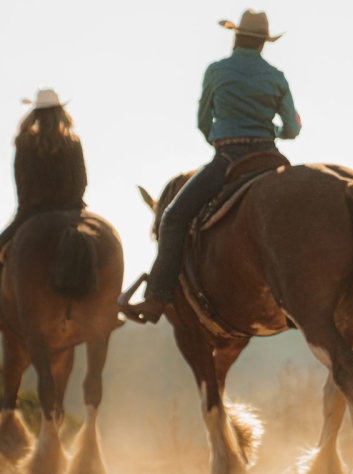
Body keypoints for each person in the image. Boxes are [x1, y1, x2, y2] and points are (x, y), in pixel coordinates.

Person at [121, 9, 301, 323]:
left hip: (228, 159)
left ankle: (157, 299)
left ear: (236, 36)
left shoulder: (217, 71)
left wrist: (220, 137)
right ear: (263, 44)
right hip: (270, 160)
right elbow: (292, 130)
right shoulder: (277, 76)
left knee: (173, 218)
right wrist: (274, 132)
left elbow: (203, 121)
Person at [0, 89, 87, 255]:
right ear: (60, 113)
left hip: (34, 212)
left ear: (35, 114)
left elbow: (22, 191)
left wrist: (23, 213)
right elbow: (82, 183)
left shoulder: (24, 144)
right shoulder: (73, 143)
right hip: (73, 211)